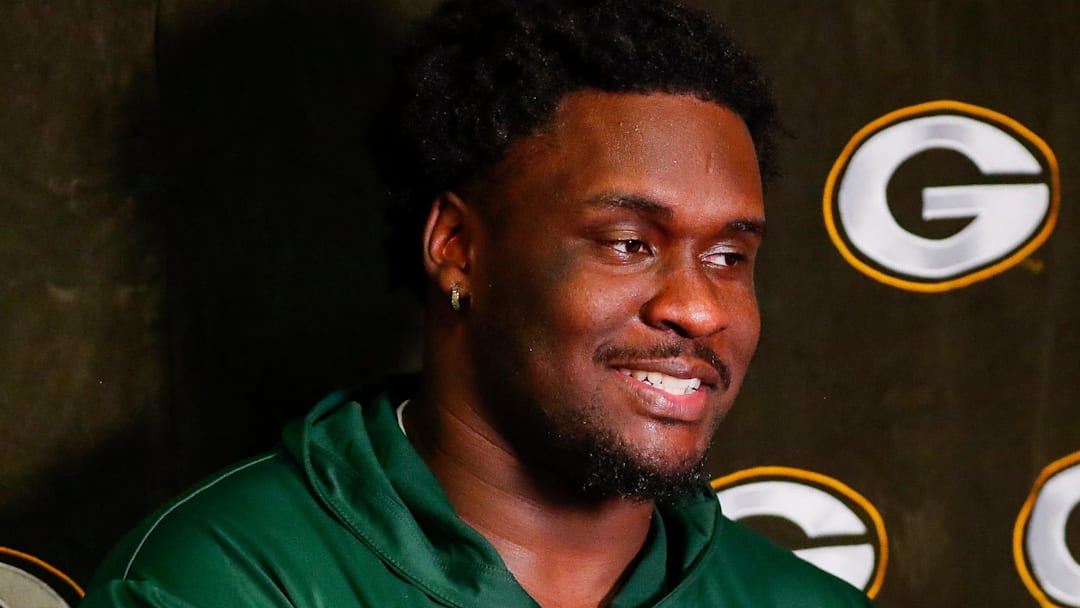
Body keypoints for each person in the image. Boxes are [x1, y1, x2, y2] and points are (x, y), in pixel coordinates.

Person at [81, 0, 877, 606]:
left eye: (729, 257)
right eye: (629, 243)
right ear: (457, 247)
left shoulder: (800, 599)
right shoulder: (230, 580)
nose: (701, 310)